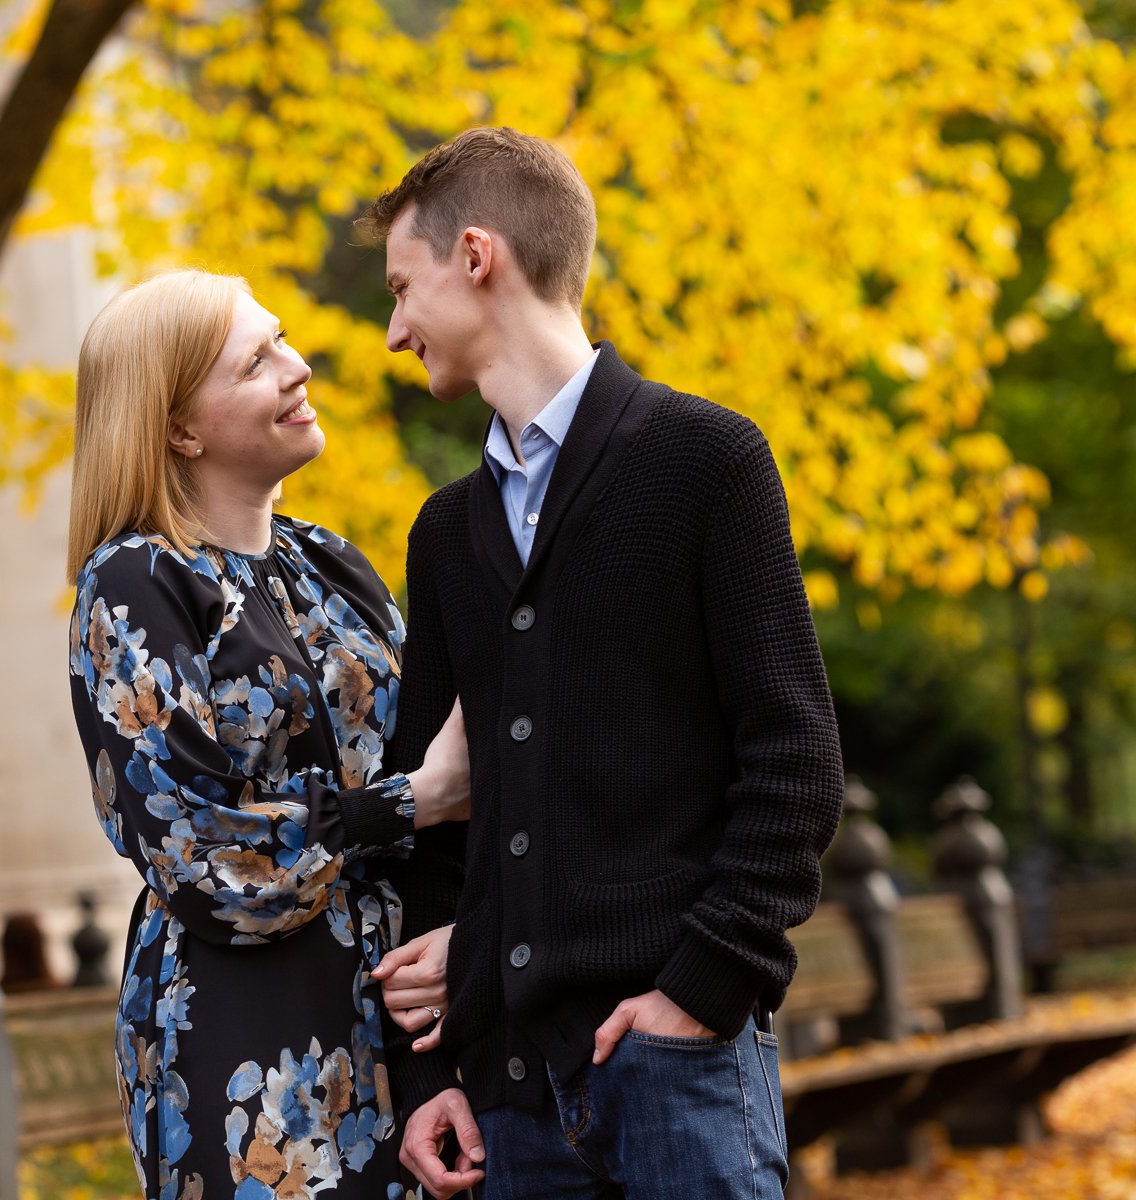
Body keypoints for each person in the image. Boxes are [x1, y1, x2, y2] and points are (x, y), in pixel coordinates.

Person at [361, 127, 847, 1199]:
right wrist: (431, 1071)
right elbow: (443, 836)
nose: (394, 331)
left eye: (403, 288)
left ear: (477, 256)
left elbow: (795, 761)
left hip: (683, 1078)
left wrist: (703, 991)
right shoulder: (446, 535)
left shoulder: (707, 462)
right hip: (508, 1109)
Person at [66, 269, 472, 1199]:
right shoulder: (138, 584)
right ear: (180, 428)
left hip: (403, 1013)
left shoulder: (331, 563)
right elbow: (203, 858)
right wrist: (411, 803)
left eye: (283, 339)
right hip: (248, 1028)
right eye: (256, 361)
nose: (299, 367)